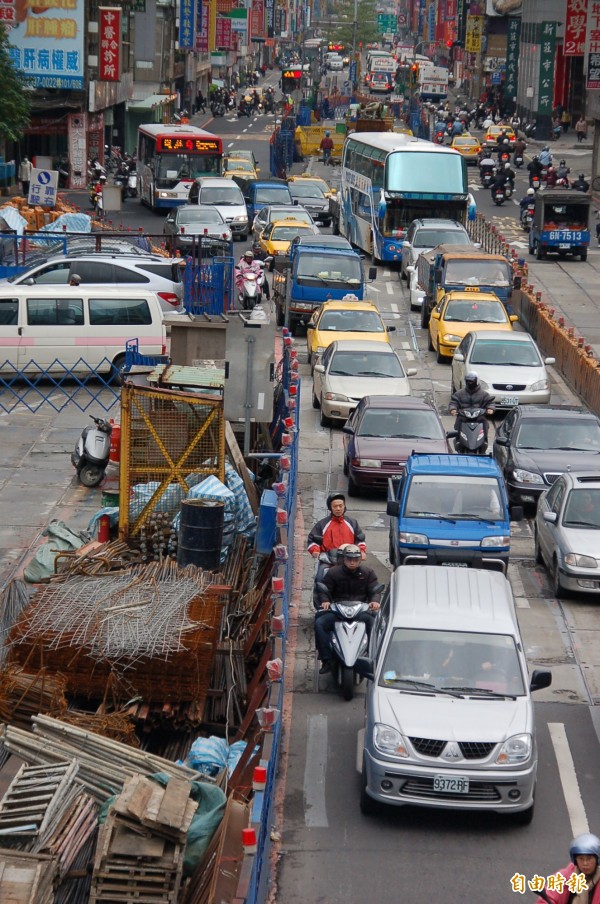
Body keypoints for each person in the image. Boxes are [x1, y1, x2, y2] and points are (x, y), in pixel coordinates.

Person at [314, 545, 381, 674]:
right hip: (338, 611)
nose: (352, 562)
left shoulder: (368, 573)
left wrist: (375, 601)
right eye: (349, 559)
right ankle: (326, 659)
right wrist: (325, 601)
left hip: (360, 611)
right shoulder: (333, 573)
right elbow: (323, 589)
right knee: (319, 623)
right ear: (343, 559)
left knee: (374, 625)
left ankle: (374, 658)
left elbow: (375, 590)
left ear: (360, 560)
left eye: (355, 559)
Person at [535, 833, 600, 903]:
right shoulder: (563, 877)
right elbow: (548, 897)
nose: (585, 863)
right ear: (575, 860)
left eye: (589, 859)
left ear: (597, 859)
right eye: (581, 859)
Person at [307, 493, 367, 558]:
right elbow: (313, 540)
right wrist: (315, 551)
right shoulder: (322, 524)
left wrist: (361, 551)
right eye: (335, 506)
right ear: (330, 508)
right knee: (322, 568)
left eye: (340, 506)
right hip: (328, 559)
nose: (338, 509)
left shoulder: (353, 523)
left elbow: (360, 539)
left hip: (349, 559)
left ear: (344, 506)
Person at [449, 372, 495, 445]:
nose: (470, 383)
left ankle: (484, 441)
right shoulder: (459, 393)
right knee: (458, 423)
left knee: (485, 423)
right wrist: (453, 409)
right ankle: (458, 440)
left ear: (477, 381)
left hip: (479, 418)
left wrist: (490, 409)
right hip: (464, 417)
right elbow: (454, 402)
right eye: (468, 381)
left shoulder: (484, 394)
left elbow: (490, 402)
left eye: (472, 381)